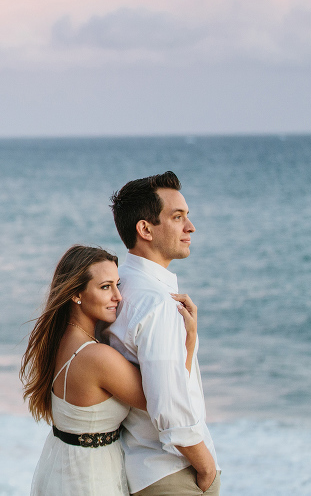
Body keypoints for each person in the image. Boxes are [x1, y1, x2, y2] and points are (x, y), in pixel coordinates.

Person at [21, 245, 198, 496]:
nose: (118, 296)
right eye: (105, 287)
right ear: (76, 294)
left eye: (118, 284)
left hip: (61, 467)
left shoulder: (59, 340)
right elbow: (165, 397)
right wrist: (189, 340)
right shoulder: (96, 357)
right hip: (90, 479)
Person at [105, 171, 220, 495]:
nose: (190, 227)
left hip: (143, 467)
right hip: (174, 472)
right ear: (145, 229)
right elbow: (168, 406)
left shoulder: (119, 285)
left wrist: (190, 339)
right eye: (178, 217)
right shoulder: (155, 302)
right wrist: (207, 467)